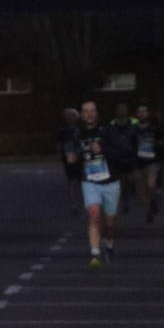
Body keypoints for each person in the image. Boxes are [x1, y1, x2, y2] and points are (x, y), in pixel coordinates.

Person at [66, 100, 124, 268]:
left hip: (110, 182)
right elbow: (72, 150)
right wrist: (72, 157)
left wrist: (103, 149)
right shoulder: (78, 132)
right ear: (81, 114)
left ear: (97, 113)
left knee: (110, 224)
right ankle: (95, 253)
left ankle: (110, 242)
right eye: (85, 111)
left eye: (92, 111)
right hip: (90, 181)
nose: (89, 114)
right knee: (94, 214)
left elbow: (121, 152)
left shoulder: (108, 130)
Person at [132, 104, 164, 223]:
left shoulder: (154, 128)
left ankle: (150, 211)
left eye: (144, 111)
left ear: (148, 114)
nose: (142, 114)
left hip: (152, 161)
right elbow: (129, 144)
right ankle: (150, 205)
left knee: (151, 184)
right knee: (141, 192)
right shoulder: (134, 129)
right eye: (139, 112)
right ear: (137, 114)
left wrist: (160, 145)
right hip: (138, 162)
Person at [55, 107, 83, 216]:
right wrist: (60, 153)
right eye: (68, 115)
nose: (70, 117)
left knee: (82, 179)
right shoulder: (62, 129)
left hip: (81, 154)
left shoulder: (82, 127)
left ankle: (83, 201)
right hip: (70, 154)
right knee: (72, 179)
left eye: (73, 115)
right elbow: (59, 143)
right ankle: (74, 203)